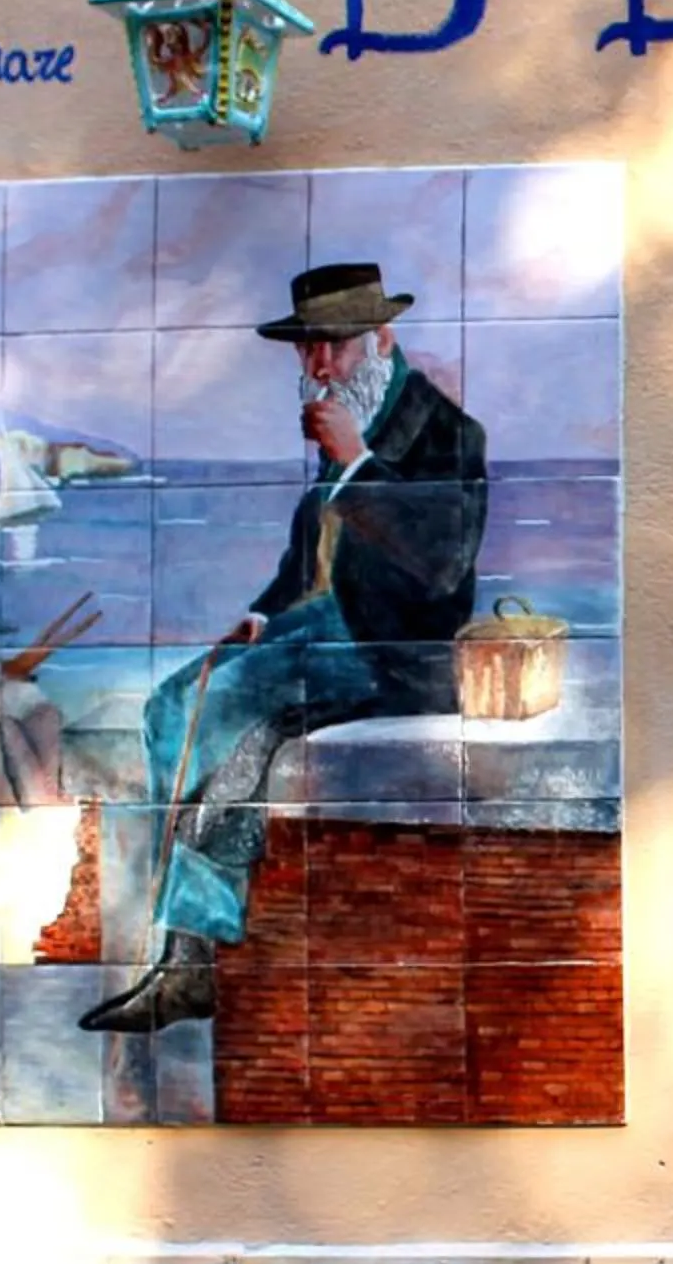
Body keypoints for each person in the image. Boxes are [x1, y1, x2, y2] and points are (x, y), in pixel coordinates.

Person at [82, 262, 487, 1035]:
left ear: (382, 339)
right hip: (321, 625)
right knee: (177, 700)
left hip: (391, 650)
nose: (319, 365)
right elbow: (311, 563)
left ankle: (188, 957)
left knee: (233, 712)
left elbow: (440, 572)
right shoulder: (345, 413)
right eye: (307, 350)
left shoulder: (447, 436)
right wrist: (262, 617)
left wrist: (359, 465)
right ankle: (185, 944)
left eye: (334, 347)